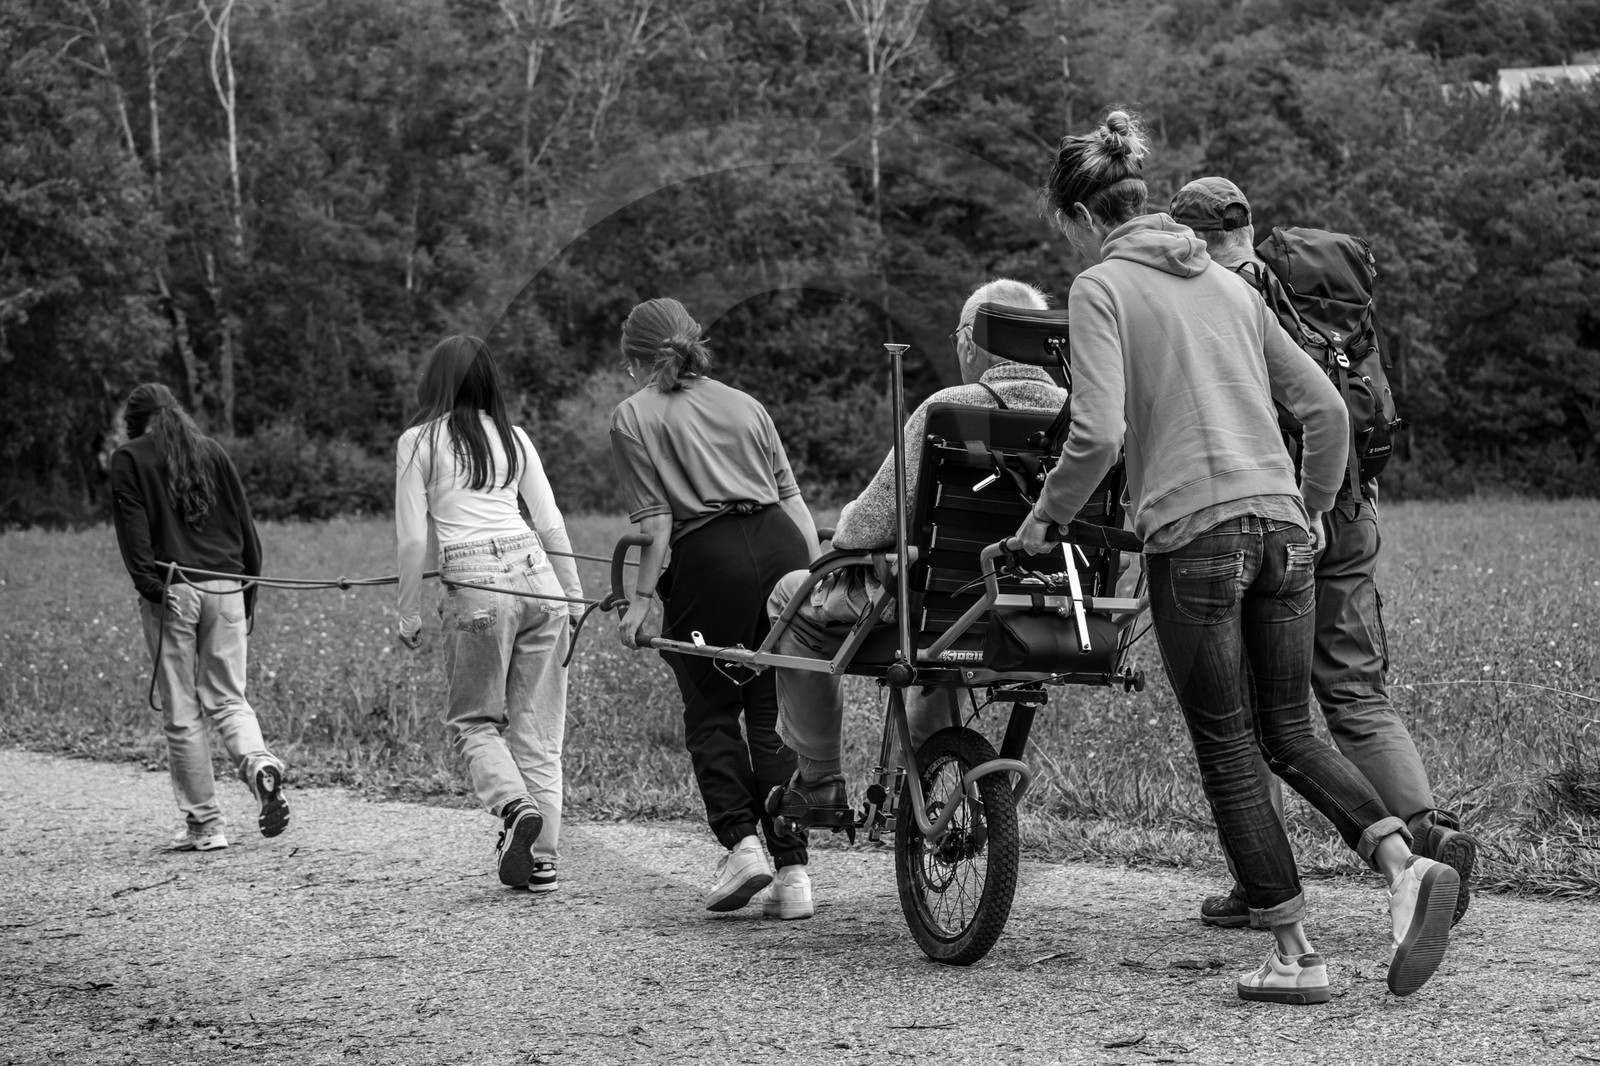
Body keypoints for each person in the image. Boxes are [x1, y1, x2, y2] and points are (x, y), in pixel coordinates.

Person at [1015, 110, 1460, 1003]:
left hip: (1197, 538)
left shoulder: (1101, 289)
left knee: (1227, 746)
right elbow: (1329, 414)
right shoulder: (1230, 287)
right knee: (1289, 730)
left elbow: (1098, 434)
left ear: (1079, 216)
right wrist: (1320, 507)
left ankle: (1297, 955)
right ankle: (1407, 866)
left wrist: (1040, 522)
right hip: (1284, 530)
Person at [1169, 176, 1479, 929]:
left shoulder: (1216, 298)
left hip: (1273, 516)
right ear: (1247, 227)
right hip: (1351, 505)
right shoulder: (1315, 294)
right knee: (1356, 695)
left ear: (1191, 238)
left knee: (1245, 713)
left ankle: (1258, 882)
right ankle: (1427, 835)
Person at [766, 278, 1069, 827]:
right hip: (1049, 611)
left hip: (939, 609)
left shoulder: (948, 409)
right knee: (939, 639)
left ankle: (819, 779)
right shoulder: (1087, 416)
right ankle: (915, 785)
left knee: (792, 598)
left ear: (970, 343)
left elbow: (862, 529)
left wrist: (853, 532)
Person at [609, 297, 824, 920]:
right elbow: (793, 501)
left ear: (634, 360)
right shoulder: (745, 402)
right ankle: (793, 873)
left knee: (710, 708)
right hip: (784, 548)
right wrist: (809, 582)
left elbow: (656, 520)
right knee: (771, 709)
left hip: (712, 559)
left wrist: (641, 600)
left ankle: (742, 844)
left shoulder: (633, 416)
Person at [395, 334, 582, 894]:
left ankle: (513, 806)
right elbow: (549, 523)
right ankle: (543, 859)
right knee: (539, 732)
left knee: (474, 721)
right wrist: (572, 598)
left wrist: (407, 614)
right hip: (537, 576)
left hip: (475, 584)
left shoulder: (417, 442)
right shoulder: (515, 437)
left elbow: (411, 539)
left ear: (436, 382)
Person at [110, 382, 288, 851]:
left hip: (173, 590)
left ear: (135, 423)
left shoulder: (129, 458)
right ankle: (257, 764)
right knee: (229, 698)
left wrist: (150, 586)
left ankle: (206, 826)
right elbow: (246, 528)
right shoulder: (212, 452)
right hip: (228, 586)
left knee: (183, 710)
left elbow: (132, 531)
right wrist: (246, 594)